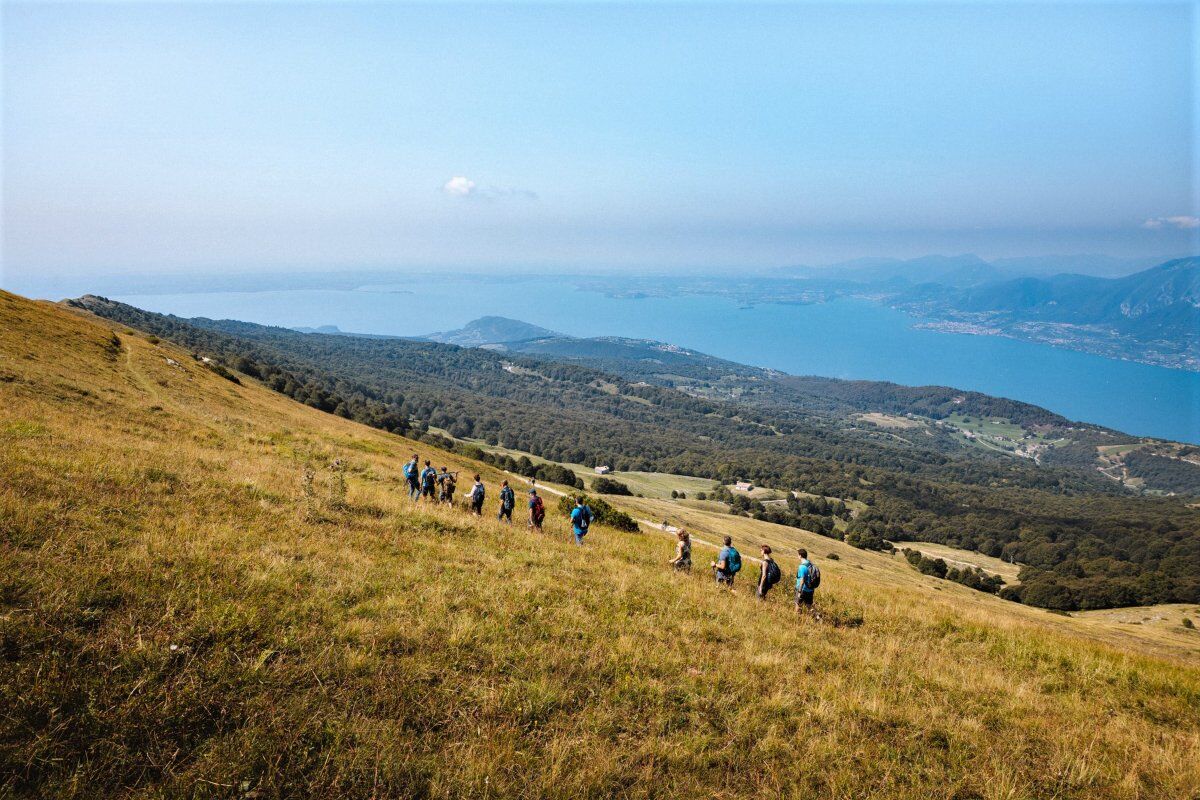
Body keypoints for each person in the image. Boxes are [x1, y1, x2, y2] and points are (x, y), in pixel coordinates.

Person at [795, 548, 821, 613]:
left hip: (803, 589)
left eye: (798, 555)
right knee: (809, 606)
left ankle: (797, 618)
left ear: (800, 556)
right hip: (810, 590)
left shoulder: (802, 567)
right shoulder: (810, 564)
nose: (797, 556)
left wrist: (799, 592)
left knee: (797, 604)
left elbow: (802, 580)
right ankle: (817, 616)